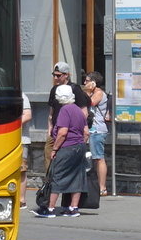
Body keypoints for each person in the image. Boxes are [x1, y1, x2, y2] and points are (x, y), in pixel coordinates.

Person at [33, 84, 89, 217]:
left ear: (59, 97)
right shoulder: (78, 110)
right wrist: (80, 144)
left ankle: (50, 208)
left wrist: (55, 148)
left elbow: (63, 132)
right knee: (77, 176)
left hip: (67, 147)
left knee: (57, 176)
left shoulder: (65, 110)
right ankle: (73, 208)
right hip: (79, 146)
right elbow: (86, 132)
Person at [44, 61, 90, 171]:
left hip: (69, 132)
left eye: (58, 75)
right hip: (55, 130)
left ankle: (60, 183)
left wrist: (82, 130)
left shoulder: (74, 89)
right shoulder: (54, 90)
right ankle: (49, 182)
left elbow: (84, 112)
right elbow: (51, 111)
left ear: (66, 75)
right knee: (48, 154)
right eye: (54, 75)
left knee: (65, 161)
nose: (55, 78)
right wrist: (50, 127)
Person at [83, 71, 110, 196]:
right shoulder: (93, 92)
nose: (85, 83)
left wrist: (87, 92)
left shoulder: (98, 93)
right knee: (95, 158)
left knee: (99, 158)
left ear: (93, 83)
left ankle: (102, 187)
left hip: (97, 129)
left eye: (87, 81)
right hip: (92, 129)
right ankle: (97, 186)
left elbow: (90, 103)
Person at [20, 92, 32, 208]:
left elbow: (28, 115)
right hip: (4, 139)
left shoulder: (22, 96)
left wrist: (12, 125)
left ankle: (21, 199)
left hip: (21, 140)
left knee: (21, 170)